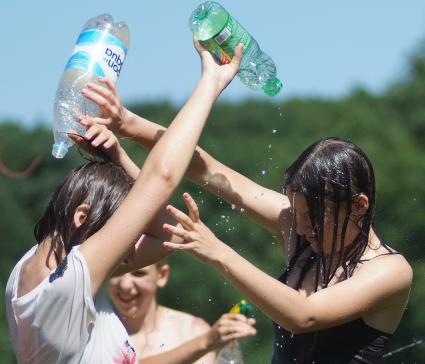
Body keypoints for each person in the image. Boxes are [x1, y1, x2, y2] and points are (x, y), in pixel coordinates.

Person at [80, 82, 413, 363]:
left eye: (312, 218)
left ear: (359, 205)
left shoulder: (389, 271)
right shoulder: (301, 231)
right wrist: (127, 125)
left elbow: (303, 315)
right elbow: (209, 171)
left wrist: (218, 252)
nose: (299, 228)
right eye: (296, 214)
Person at [5, 42, 243, 364]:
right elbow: (163, 181)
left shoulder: (33, 270)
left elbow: (174, 233)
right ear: (82, 217)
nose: (131, 244)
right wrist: (210, 83)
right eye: (124, 231)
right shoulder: (70, 284)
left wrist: (116, 158)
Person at [108, 260, 256, 363]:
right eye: (117, 271)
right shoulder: (93, 329)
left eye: (139, 273)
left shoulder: (191, 330)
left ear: (162, 275)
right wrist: (206, 342)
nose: (125, 284)